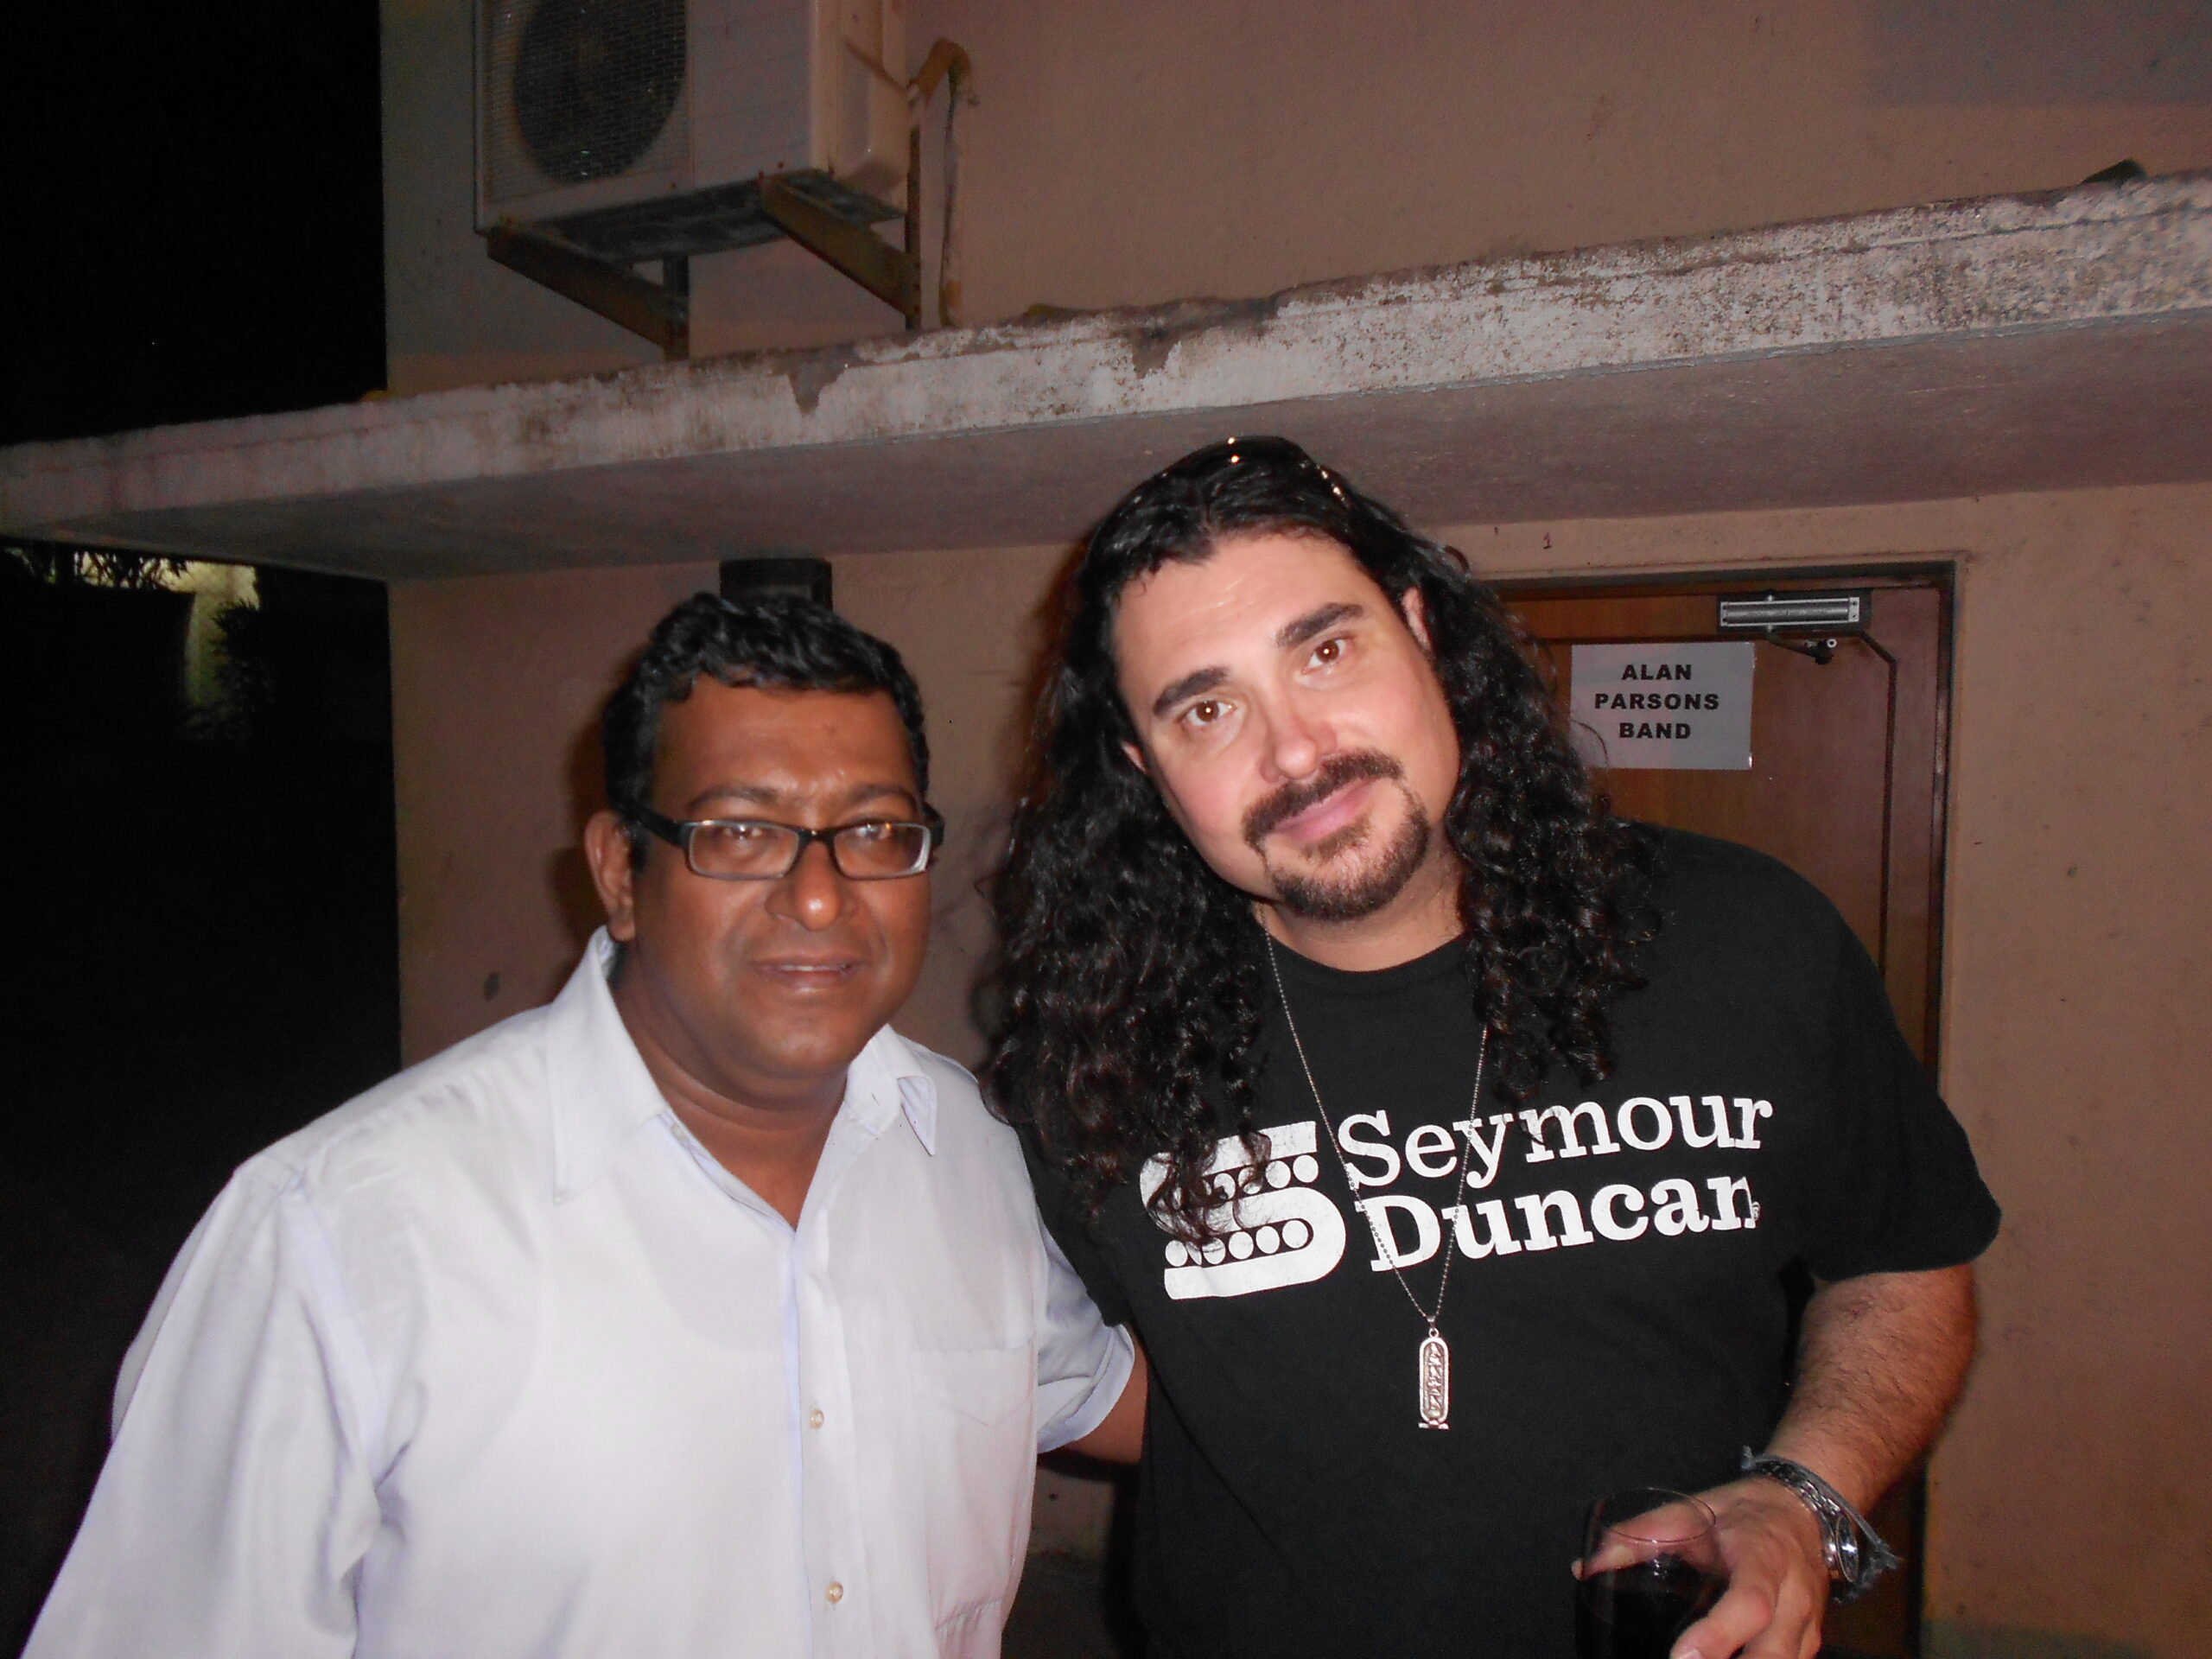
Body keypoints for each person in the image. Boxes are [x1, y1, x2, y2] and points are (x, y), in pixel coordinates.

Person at [989, 437, 1999, 1659]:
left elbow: (1902, 1264)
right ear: (1145, 769)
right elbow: (1055, 1366)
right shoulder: (1091, 1057)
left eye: (1326, 651)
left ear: (1421, 629)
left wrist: (1806, 1496)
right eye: (1207, 710)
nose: (1295, 750)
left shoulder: (1742, 937)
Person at [28, 594, 1138, 1659]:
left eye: (875, 830)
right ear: (619, 873)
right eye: (740, 832)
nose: (818, 896)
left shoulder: (970, 1151)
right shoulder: (338, 1236)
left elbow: (1095, 1392)